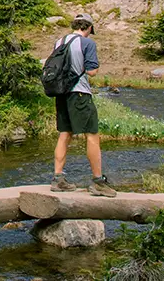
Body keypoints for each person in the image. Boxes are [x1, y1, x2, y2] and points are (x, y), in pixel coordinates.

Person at [51, 13, 117, 197]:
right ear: (88, 27)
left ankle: (58, 179)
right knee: (92, 135)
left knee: (65, 134)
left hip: (61, 93)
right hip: (79, 93)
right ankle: (98, 182)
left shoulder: (60, 41)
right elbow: (92, 71)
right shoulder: (87, 43)